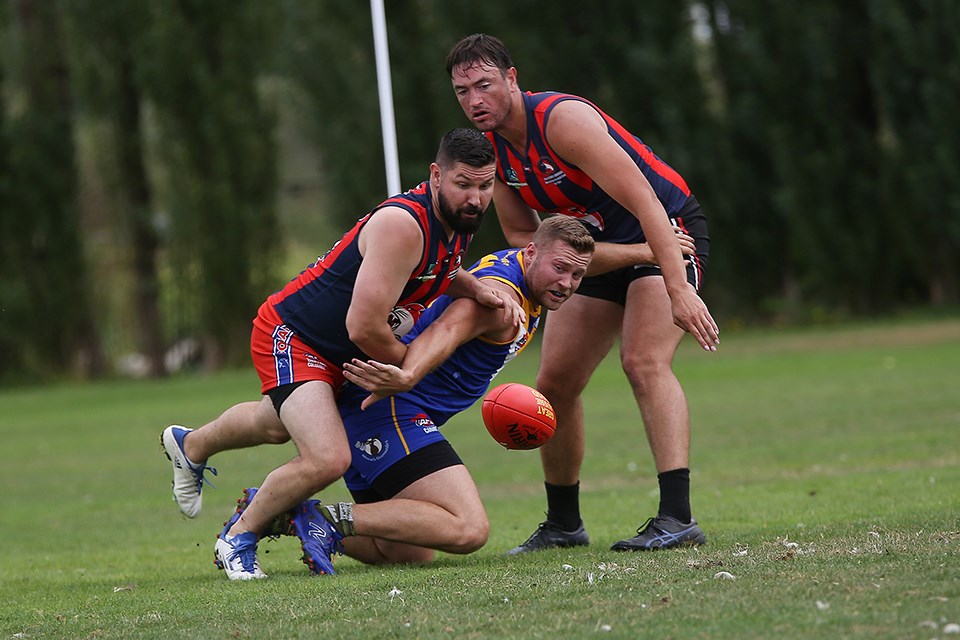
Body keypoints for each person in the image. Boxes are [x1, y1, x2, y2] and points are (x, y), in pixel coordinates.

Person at [160, 128, 522, 580]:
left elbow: (440, 269)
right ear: (435, 175)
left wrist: (476, 286)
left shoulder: (457, 222)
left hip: (339, 355)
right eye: (464, 184)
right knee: (328, 457)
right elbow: (363, 326)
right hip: (297, 336)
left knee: (274, 427)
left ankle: (190, 443)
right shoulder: (404, 225)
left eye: (485, 186)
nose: (475, 198)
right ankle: (238, 537)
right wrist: (409, 369)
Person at [445, 34, 721, 553]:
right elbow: (525, 240)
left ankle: (678, 517)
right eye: (462, 91)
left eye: (484, 84)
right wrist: (623, 255)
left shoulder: (562, 121)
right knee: (555, 382)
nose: (475, 99)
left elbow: (646, 202)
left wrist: (677, 284)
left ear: (512, 78)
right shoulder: (493, 153)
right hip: (602, 251)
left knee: (643, 361)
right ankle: (564, 526)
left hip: (667, 231)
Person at [223, 215, 596, 570]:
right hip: (389, 409)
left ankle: (281, 510)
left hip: (384, 407)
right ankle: (322, 519)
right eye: (560, 268)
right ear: (531, 252)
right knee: (467, 527)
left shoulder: (520, 276)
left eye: (578, 274)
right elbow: (448, 329)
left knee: (403, 553)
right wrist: (409, 374)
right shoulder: (501, 301)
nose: (567, 282)